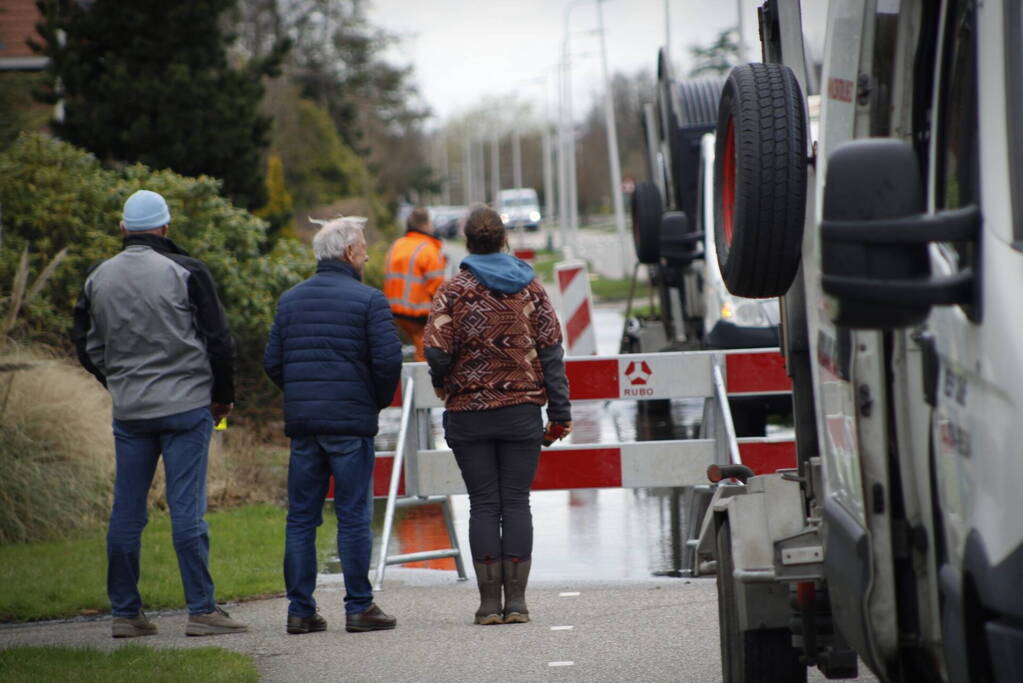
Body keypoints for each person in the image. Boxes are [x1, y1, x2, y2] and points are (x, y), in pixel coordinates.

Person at [71, 189, 247, 638]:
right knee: (186, 509)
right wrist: (222, 396)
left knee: (127, 513)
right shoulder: (186, 271)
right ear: (166, 228)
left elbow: (85, 344)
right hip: (187, 405)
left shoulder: (99, 276)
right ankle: (202, 611)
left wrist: (117, 381)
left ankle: (126, 614)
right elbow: (219, 341)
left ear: (123, 229)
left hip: (130, 411)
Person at [423, 206, 572, 625]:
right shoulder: (532, 289)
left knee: (484, 504)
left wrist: (449, 375)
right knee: (516, 503)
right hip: (521, 413)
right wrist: (559, 413)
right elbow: (551, 353)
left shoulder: (453, 290)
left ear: (468, 242)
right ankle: (518, 603)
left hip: (468, 414)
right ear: (503, 240)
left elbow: (435, 349)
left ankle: (489, 604)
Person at [264, 216, 402, 635]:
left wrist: (302, 394)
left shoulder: (290, 300)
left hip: (305, 426)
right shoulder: (369, 301)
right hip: (350, 424)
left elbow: (273, 362)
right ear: (348, 253)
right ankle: (359, 607)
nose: (366, 253)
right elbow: (387, 362)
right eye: (362, 247)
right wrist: (372, 402)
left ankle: (300, 610)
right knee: (354, 514)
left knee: (302, 519)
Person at [383, 207, 446, 361]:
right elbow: (437, 288)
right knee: (425, 354)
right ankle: (423, 382)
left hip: (394, 313)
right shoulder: (429, 250)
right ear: (425, 225)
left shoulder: (397, 245)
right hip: (418, 315)